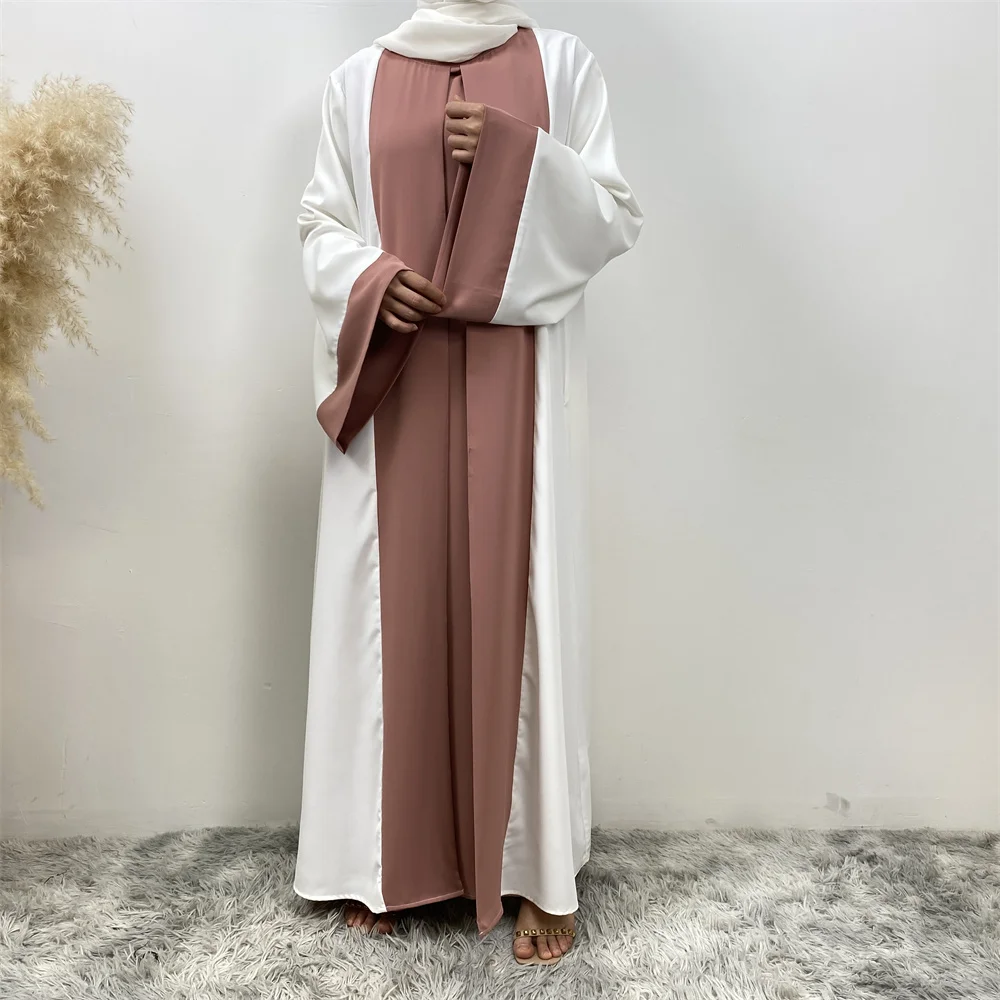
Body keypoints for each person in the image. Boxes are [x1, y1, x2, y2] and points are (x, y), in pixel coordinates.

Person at [292, 0, 642, 967]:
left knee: (515, 597)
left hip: (517, 381)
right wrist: (369, 278)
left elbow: (614, 213)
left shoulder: (563, 63)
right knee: (395, 601)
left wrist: (518, 158)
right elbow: (319, 223)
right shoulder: (356, 79)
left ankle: (532, 868)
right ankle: (379, 856)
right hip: (396, 374)